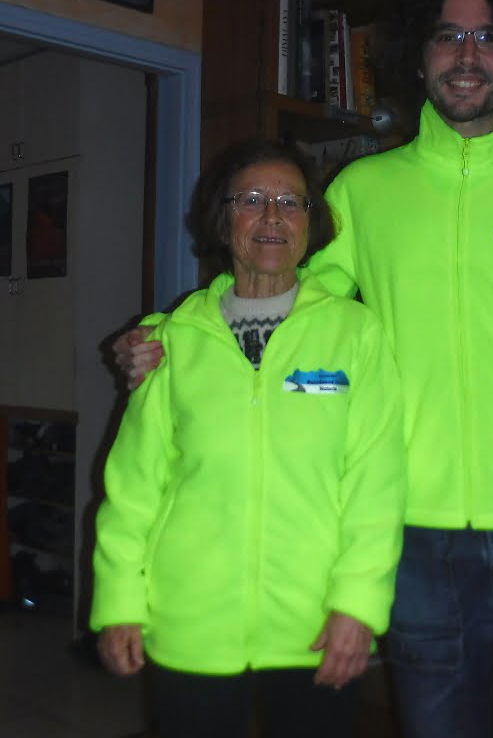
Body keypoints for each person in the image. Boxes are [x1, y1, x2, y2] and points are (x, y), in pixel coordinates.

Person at [113, 0, 493, 738]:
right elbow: (280, 289)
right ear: (418, 56)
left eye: (488, 37)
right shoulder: (364, 190)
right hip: (417, 535)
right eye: (448, 37)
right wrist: (165, 340)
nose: (467, 55)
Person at [92, 138, 407, 738]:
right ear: (223, 218)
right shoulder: (172, 341)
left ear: (311, 224)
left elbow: (378, 485)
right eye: (252, 200)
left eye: (291, 202)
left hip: (316, 626)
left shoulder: (355, 334)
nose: (272, 217)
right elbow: (133, 489)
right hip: (189, 625)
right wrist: (119, 603)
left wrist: (359, 606)